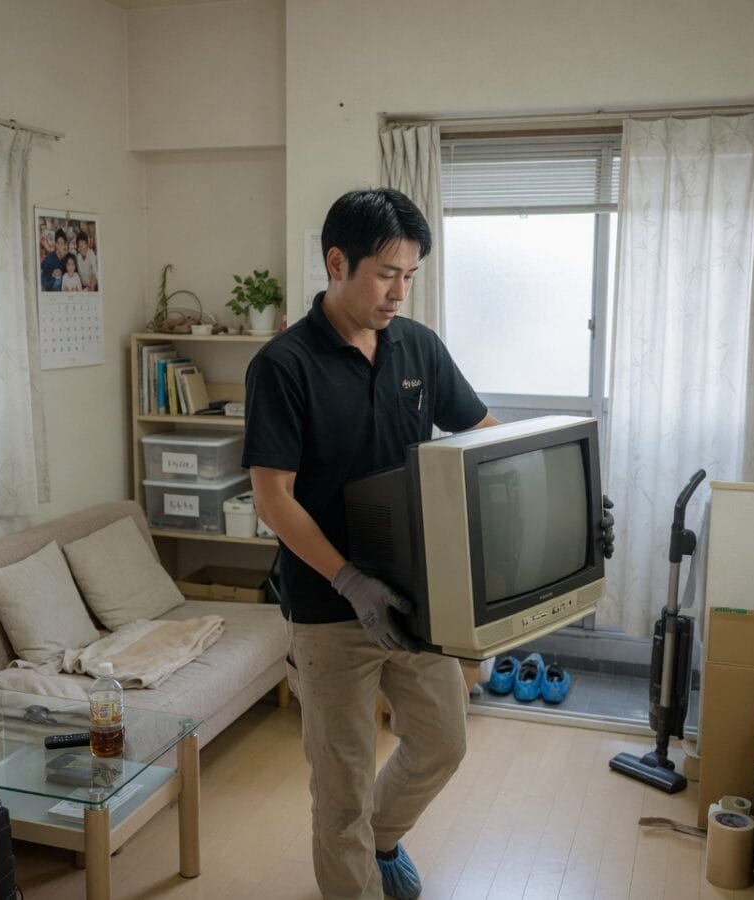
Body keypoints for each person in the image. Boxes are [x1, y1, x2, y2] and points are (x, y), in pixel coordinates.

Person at [242, 188, 500, 900]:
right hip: (329, 610)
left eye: (409, 275)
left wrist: (539, 482)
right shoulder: (283, 365)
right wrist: (350, 580)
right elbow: (272, 498)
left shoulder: (418, 346)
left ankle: (382, 839)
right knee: (341, 790)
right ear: (337, 263)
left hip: (416, 600)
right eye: (387, 273)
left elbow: (482, 437)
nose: (399, 291)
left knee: (443, 741)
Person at [40, 227, 67, 292]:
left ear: (65, 245)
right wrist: (51, 275)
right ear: (55, 244)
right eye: (58, 243)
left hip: (61, 287)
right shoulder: (50, 257)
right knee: (58, 281)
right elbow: (43, 267)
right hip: (49, 285)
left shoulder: (66, 258)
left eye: (62, 243)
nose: (60, 246)